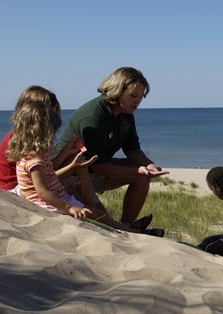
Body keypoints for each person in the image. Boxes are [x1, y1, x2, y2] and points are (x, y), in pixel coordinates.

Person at [6, 100, 162, 237]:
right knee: (97, 215)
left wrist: (67, 180)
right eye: (52, 133)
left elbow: (47, 177)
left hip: (57, 197)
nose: (54, 136)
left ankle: (128, 229)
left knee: (98, 213)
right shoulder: (34, 159)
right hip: (50, 203)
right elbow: (42, 192)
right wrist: (70, 207)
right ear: (41, 132)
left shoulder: (37, 155)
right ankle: (132, 233)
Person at [56, 67, 168, 225]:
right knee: (104, 220)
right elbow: (98, 166)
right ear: (117, 92)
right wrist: (138, 171)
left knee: (143, 176)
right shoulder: (92, 118)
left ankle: (128, 224)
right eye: (133, 96)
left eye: (141, 97)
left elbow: (132, 149)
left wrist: (149, 165)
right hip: (72, 175)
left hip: (96, 170)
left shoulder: (125, 114)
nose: (138, 101)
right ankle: (122, 228)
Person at [0, 86, 92, 194]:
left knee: (74, 159)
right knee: (76, 164)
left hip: (28, 183)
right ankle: (88, 205)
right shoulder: (22, 140)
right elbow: (39, 179)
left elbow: (45, 168)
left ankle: (89, 205)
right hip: (18, 189)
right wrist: (71, 167)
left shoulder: (30, 137)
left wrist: (65, 152)